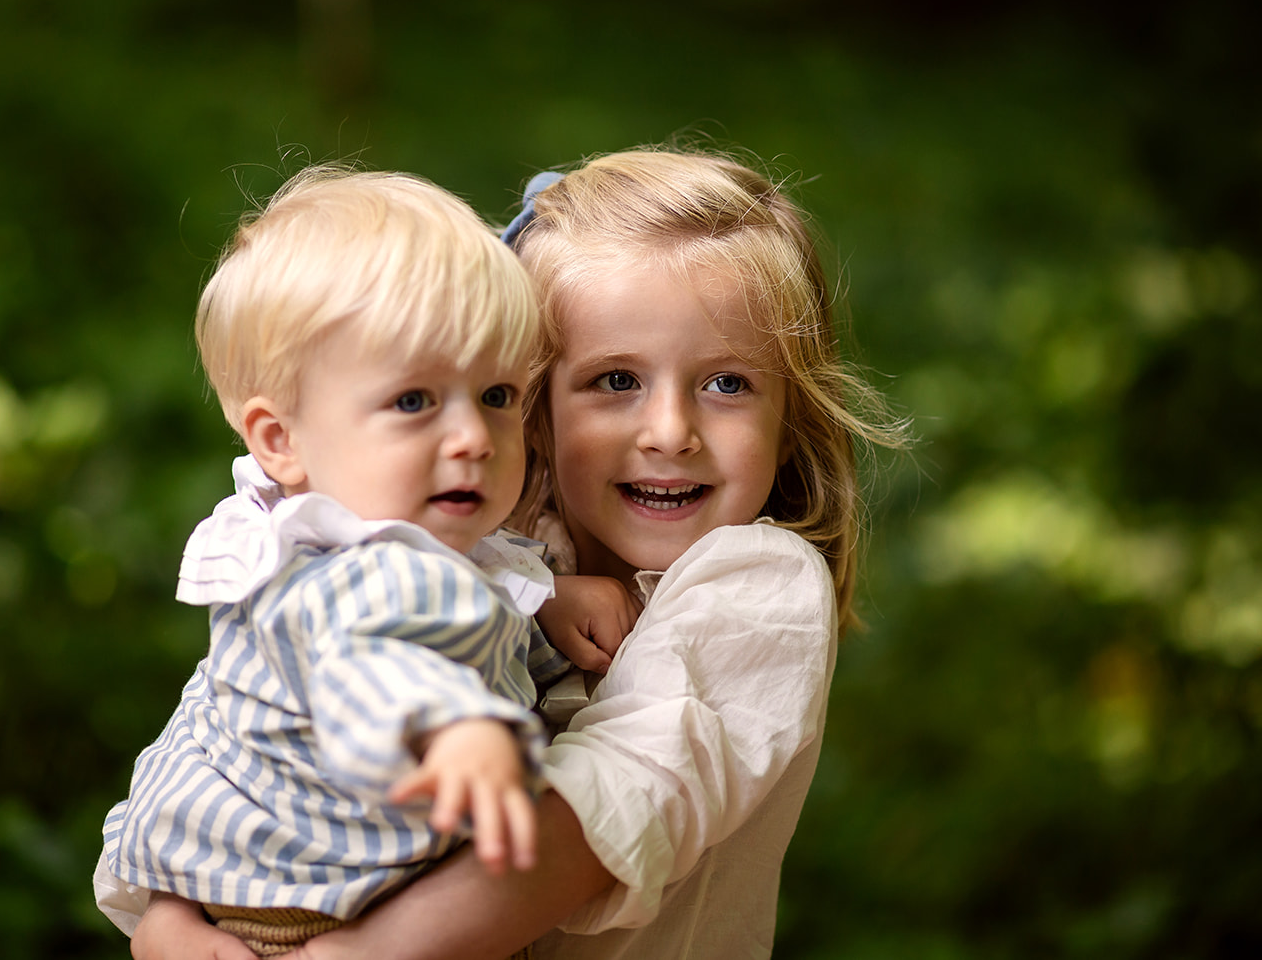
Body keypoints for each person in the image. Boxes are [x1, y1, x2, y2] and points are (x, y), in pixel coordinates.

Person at [126, 146, 909, 959]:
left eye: (727, 384)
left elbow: (606, 808)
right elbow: (240, 728)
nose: (670, 432)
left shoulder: (760, 588)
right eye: (614, 381)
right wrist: (170, 919)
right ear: (534, 408)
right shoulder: (482, 544)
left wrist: (362, 955)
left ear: (791, 418)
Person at [94, 167, 593, 959]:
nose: (472, 437)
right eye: (414, 401)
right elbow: (373, 661)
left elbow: (463, 619)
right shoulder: (349, 571)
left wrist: (547, 610)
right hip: (308, 925)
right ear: (280, 439)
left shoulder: (376, 537)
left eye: (497, 394)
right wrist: (452, 724)